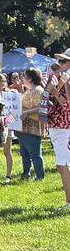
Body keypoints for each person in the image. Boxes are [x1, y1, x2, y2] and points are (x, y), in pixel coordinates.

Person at [46, 49, 70, 210]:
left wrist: (54, 91)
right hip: (57, 126)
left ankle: (69, 203)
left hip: (64, 127)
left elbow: (67, 106)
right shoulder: (61, 79)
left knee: (63, 166)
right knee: (62, 166)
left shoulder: (68, 80)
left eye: (63, 61)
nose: (59, 64)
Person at [17, 67, 46, 181]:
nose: (22, 79)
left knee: (35, 154)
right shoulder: (27, 92)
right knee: (24, 154)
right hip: (23, 128)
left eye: (24, 76)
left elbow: (41, 107)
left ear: (30, 78)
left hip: (33, 126)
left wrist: (26, 113)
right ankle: (26, 173)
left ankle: (40, 176)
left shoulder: (39, 90)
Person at [0, 73, 13, 180]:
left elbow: (14, 112)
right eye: (1, 82)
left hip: (7, 126)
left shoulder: (11, 94)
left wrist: (7, 122)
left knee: (7, 151)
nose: (3, 84)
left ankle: (8, 175)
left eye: (4, 81)